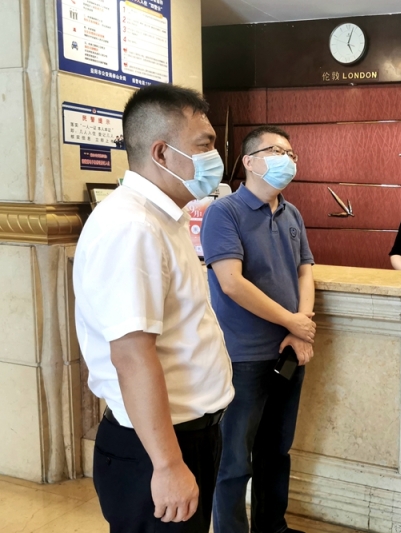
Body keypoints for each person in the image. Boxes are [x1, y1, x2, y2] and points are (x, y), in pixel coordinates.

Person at [73, 84, 234, 532]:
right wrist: (167, 465)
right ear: (162, 153)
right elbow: (132, 355)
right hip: (156, 447)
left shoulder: (165, 217)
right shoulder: (133, 227)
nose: (215, 157)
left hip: (184, 435)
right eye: (204, 145)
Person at [201, 125, 315, 533]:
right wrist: (291, 321)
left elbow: (305, 271)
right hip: (244, 355)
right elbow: (231, 282)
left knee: (276, 452)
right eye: (277, 151)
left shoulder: (291, 213)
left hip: (287, 351)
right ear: (249, 161)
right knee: (234, 460)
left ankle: (272, 528)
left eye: (291, 154)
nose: (288, 160)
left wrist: (300, 328)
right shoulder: (224, 212)